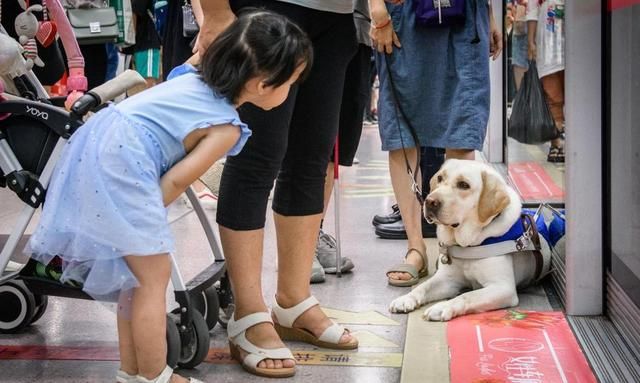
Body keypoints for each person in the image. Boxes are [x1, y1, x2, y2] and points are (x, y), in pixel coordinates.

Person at [27, 10, 311, 383]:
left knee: (134, 280)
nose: (290, 92)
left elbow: (201, 57)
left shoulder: (191, 75)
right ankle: (155, 375)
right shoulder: (224, 127)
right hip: (126, 164)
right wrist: (141, 220)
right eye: (289, 83)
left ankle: (132, 371)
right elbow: (176, 183)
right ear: (261, 85)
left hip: (97, 142)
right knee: (151, 279)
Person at [195, 0, 359, 378]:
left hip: (336, 15)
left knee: (311, 159)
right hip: (268, 8)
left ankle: (294, 300)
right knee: (255, 155)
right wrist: (217, 13)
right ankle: (248, 312)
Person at [368, 0, 502, 286]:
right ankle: (416, 247)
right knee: (402, 134)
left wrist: (490, 15)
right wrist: (376, 6)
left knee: (462, 131)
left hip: (467, 19)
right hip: (404, 14)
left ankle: (455, 251)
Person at [313, 0, 374, 282]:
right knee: (302, 140)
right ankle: (297, 246)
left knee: (333, 144)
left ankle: (313, 233)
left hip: (354, 25)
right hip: (297, 19)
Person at [527, 0, 565, 163]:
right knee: (553, 96)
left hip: (576, 39)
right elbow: (532, 10)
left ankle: (576, 141)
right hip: (548, 43)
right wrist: (531, 41)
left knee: (577, 95)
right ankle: (556, 143)